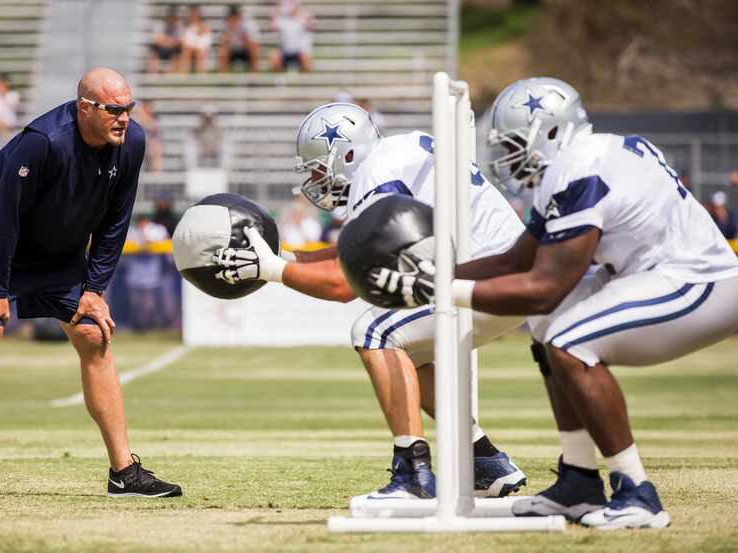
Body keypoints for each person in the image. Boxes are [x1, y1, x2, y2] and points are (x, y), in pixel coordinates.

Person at [365, 77, 738, 529]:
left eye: (515, 144)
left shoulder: (580, 169)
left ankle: (636, 490)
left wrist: (439, 291)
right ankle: (579, 481)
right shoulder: (582, 159)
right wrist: (437, 276)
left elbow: (546, 284)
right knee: (549, 328)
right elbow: (516, 259)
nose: (508, 157)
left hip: (696, 278)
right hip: (655, 273)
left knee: (570, 338)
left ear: (553, 131)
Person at [212, 103, 529, 503]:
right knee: (408, 350)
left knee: (375, 331)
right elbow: (359, 251)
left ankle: (413, 473)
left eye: (317, 168)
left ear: (345, 153)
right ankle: (484, 461)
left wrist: (272, 270)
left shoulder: (374, 172)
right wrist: (288, 258)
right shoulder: (399, 153)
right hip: (506, 270)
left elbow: (347, 284)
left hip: (486, 275)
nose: (315, 180)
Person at [0, 67, 182, 501]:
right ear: (85, 108)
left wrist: (94, 289)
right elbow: (4, 216)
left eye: (128, 108)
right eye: (113, 110)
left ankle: (124, 472)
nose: (124, 118)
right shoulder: (43, 141)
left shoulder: (132, 142)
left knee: (92, 333)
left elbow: (116, 219)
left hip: (55, 241)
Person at [270, 1, 313, 72]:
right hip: (285, 51)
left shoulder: (304, 17)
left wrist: (300, 14)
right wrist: (277, 9)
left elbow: (310, 27)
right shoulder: (282, 19)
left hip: (300, 51)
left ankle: (305, 81)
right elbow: (273, 27)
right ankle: (280, 80)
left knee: (306, 60)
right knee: (274, 58)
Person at [217, 5, 261, 72]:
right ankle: (222, 78)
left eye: (236, 16)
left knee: (254, 50)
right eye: (232, 16)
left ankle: (254, 77)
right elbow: (222, 43)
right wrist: (228, 37)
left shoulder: (249, 24)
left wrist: (245, 40)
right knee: (222, 51)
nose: (234, 18)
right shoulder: (225, 25)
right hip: (231, 51)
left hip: (245, 50)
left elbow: (255, 44)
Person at [147, 5, 184, 74]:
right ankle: (153, 74)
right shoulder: (159, 25)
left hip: (172, 49)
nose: (172, 19)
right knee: (153, 50)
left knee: (179, 50)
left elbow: (180, 41)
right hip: (161, 49)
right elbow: (157, 40)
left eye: (174, 18)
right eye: (171, 17)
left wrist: (166, 41)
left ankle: (175, 74)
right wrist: (170, 41)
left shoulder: (179, 26)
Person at [181, 5, 211, 73]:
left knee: (200, 53)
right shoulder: (186, 26)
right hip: (189, 48)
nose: (193, 16)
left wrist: (196, 46)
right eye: (191, 14)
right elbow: (184, 41)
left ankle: (202, 78)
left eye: (194, 14)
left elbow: (206, 42)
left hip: (201, 49)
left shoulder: (205, 27)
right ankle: (183, 77)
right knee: (186, 52)